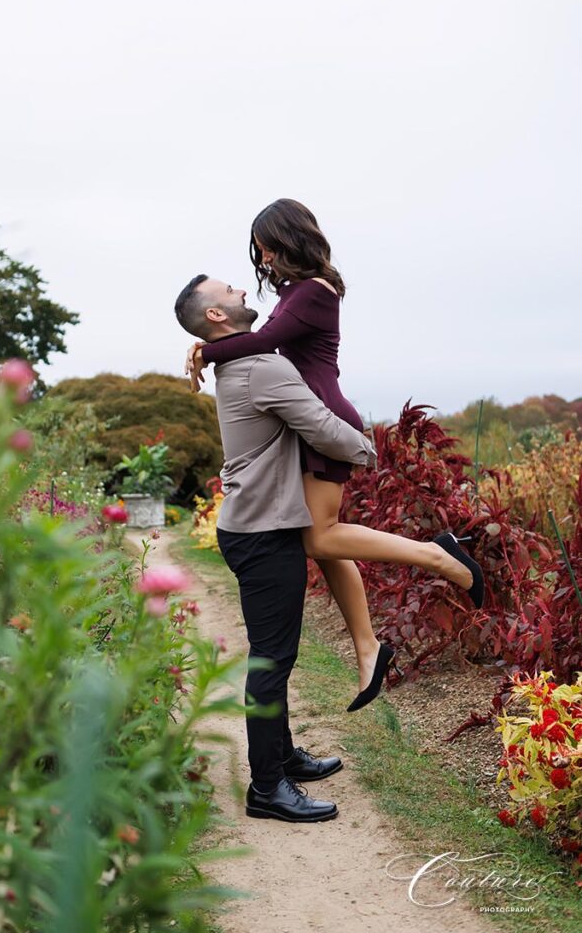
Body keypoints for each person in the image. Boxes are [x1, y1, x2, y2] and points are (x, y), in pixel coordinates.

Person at [185, 199, 484, 712]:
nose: (261, 257)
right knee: (320, 542)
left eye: (265, 247)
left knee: (321, 535)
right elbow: (267, 342)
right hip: (311, 421)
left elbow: (268, 341)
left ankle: (439, 555)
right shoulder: (294, 293)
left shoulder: (314, 293)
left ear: (285, 242)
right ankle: (368, 651)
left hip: (325, 421)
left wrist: (205, 352)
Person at [174, 273, 378, 822]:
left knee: (275, 655)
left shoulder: (239, 362)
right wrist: (367, 449)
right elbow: (320, 427)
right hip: (263, 534)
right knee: (272, 659)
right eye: (229, 292)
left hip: (258, 526)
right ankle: (267, 787)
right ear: (216, 316)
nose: (243, 290)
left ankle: (283, 757)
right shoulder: (261, 367)